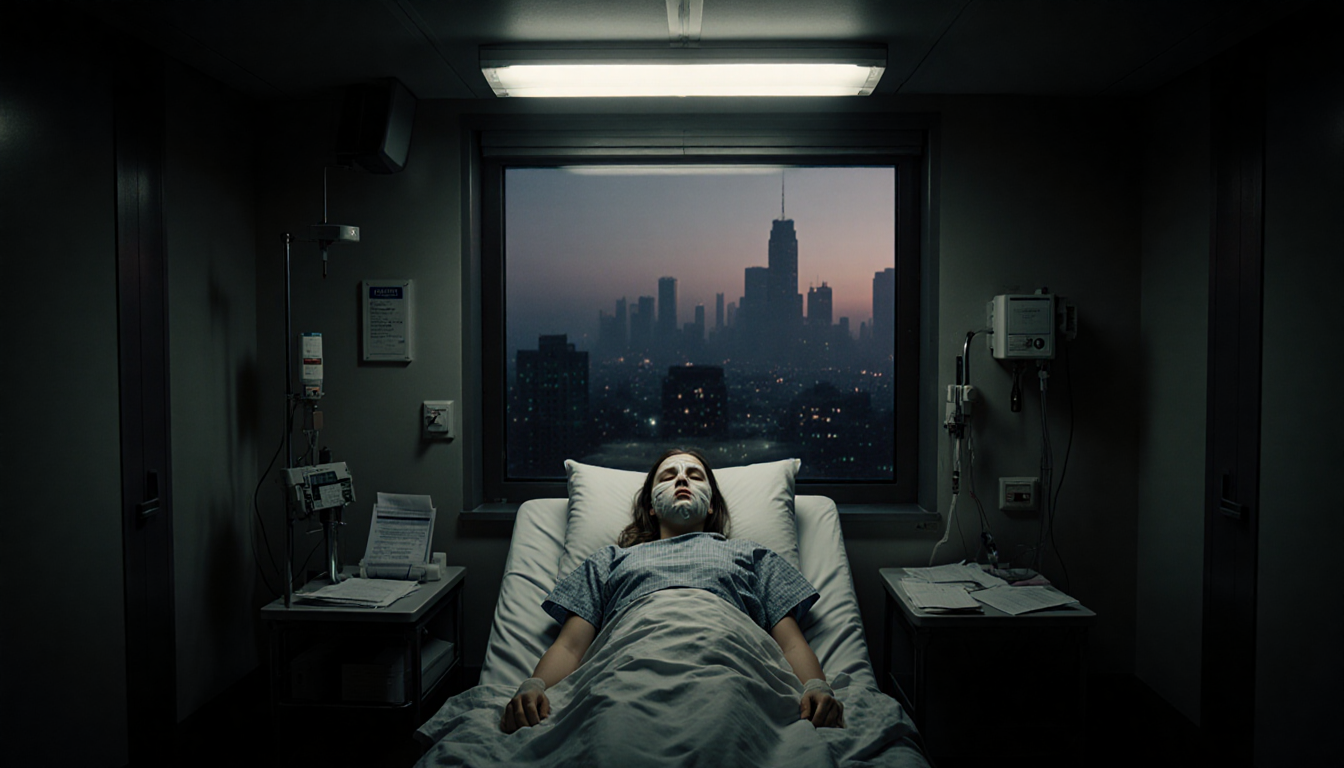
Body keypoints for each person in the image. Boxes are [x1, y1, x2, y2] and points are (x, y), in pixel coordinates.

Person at [500, 448, 845, 734]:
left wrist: (815, 686)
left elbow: (791, 642)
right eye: (668, 476)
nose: (682, 479)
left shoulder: (753, 556)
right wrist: (535, 686)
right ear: (651, 506)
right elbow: (570, 646)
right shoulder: (609, 561)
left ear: (711, 505)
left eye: (695, 475)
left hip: (728, 664)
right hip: (629, 666)